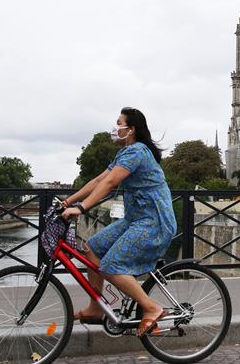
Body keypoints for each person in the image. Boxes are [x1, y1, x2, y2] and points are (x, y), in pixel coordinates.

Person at [61, 107, 176, 336]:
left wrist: (82, 208)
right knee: (92, 247)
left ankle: (152, 308)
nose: (115, 127)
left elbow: (110, 183)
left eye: (119, 123)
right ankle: (96, 308)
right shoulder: (125, 153)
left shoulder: (138, 152)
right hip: (135, 219)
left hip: (153, 222)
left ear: (131, 129)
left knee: (111, 266)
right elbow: (97, 180)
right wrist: (68, 202)